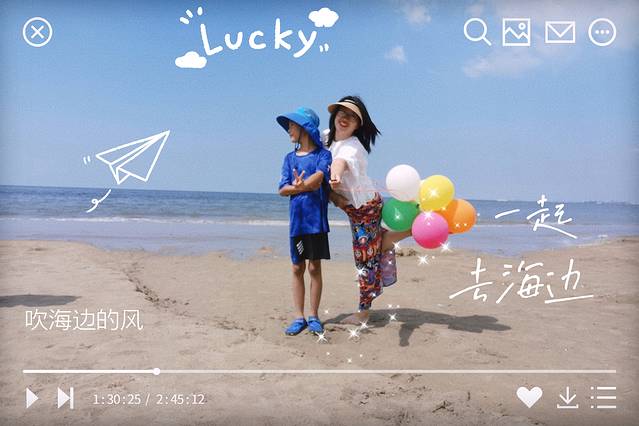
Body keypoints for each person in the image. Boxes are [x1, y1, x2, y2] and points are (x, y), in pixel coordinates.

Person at [326, 96, 411, 325]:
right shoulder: (328, 138)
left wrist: (334, 175)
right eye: (342, 113)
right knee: (373, 249)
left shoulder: (353, 147)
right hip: (357, 208)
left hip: (365, 207)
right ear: (335, 116)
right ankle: (410, 230)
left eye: (352, 117)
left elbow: (340, 162)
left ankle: (363, 313)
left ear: (358, 125)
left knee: (365, 259)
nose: (345, 119)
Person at [277, 107, 332, 336]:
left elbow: (319, 178)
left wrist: (302, 185)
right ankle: (299, 317)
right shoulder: (289, 158)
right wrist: (297, 187)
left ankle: (314, 316)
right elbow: (282, 189)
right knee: (297, 267)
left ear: (305, 128)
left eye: (292, 125)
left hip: (315, 222)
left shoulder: (323, 155)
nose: (289, 130)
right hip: (297, 223)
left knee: (314, 267)